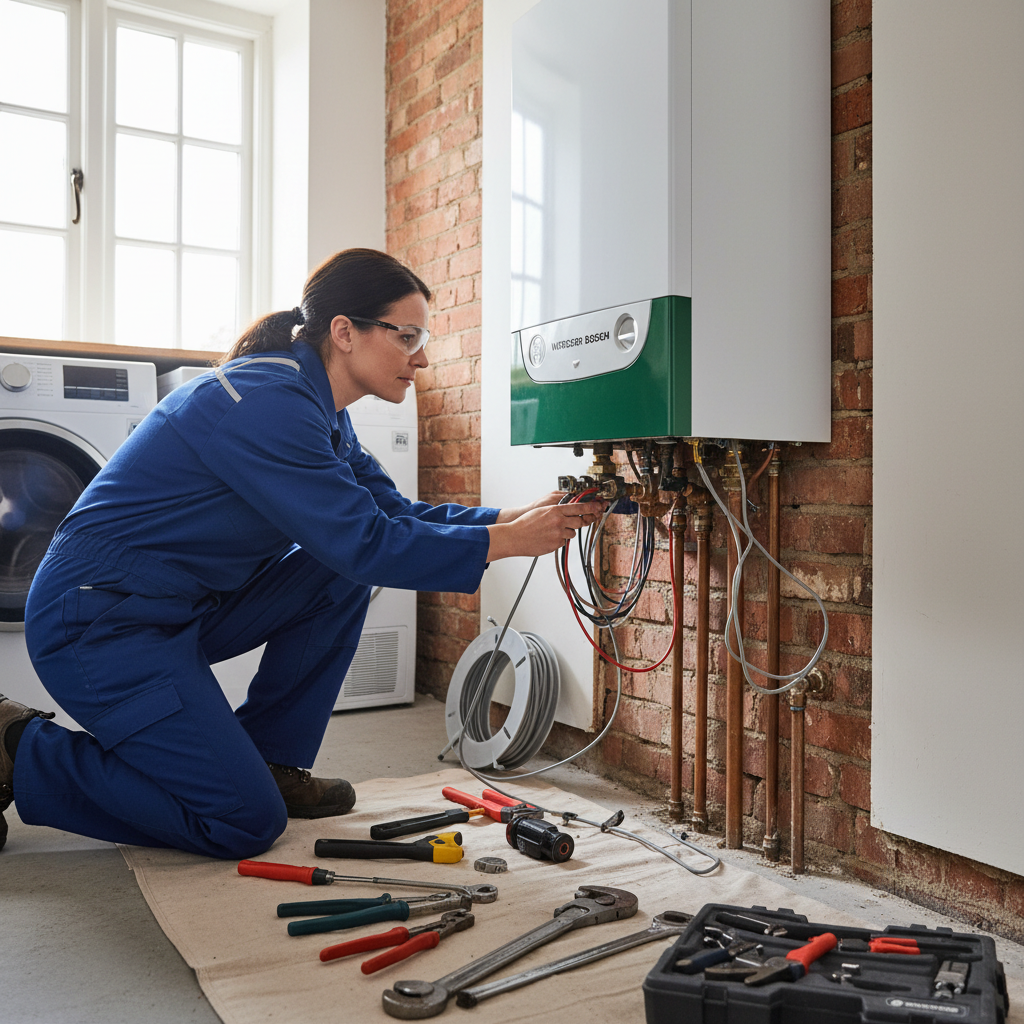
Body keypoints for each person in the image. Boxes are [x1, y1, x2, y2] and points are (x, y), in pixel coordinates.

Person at [0, 248, 604, 858]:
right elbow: (368, 543)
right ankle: (15, 748)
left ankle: (271, 761)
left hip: (173, 611)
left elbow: (389, 515)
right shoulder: (268, 403)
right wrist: (511, 543)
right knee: (242, 823)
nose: (421, 357)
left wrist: (517, 517)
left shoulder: (320, 411)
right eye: (408, 336)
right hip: (99, 620)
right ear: (345, 332)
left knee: (334, 571)